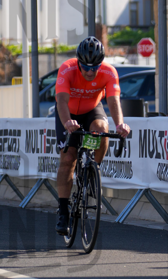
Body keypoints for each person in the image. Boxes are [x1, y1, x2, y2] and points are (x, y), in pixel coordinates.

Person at [55, 37, 130, 234]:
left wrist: (120, 124)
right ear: (78, 62)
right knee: (68, 158)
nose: (90, 72)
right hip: (68, 113)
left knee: (101, 128)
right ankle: (63, 211)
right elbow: (61, 101)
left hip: (91, 109)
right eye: (85, 67)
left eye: (94, 67)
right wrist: (67, 122)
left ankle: (92, 170)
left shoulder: (108, 72)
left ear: (101, 64)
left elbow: (114, 102)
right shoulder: (67, 68)